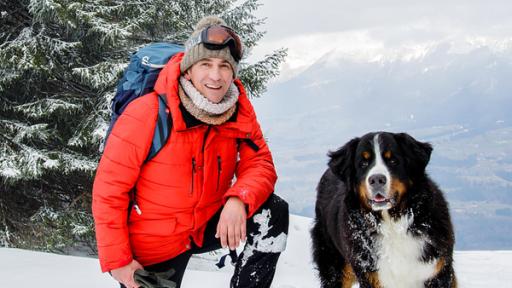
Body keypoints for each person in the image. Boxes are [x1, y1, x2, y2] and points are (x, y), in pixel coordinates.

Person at [92, 15, 289, 288]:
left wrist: (239, 200)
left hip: (203, 226)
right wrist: (119, 262)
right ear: (189, 69)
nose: (215, 76)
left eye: (224, 66)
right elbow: (109, 191)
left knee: (273, 210)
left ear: (233, 73)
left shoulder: (237, 110)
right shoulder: (147, 114)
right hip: (154, 248)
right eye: (205, 64)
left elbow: (260, 162)